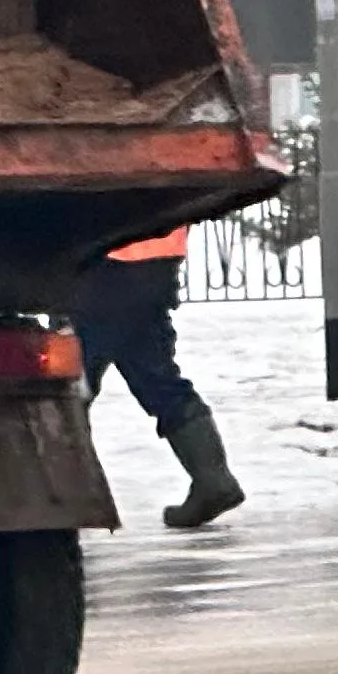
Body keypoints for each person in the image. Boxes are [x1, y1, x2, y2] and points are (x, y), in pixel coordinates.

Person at [76, 223, 243, 529]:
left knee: (72, 385)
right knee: (156, 375)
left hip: (101, 259)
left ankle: (73, 495)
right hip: (157, 262)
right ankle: (213, 479)